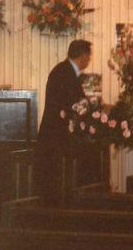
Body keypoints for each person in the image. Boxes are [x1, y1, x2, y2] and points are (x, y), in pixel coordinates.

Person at [35, 39, 92, 205]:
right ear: (82, 56)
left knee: (58, 183)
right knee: (55, 185)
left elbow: (78, 101)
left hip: (58, 136)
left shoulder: (66, 71)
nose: (89, 60)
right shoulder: (63, 72)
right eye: (88, 56)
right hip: (55, 136)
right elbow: (69, 103)